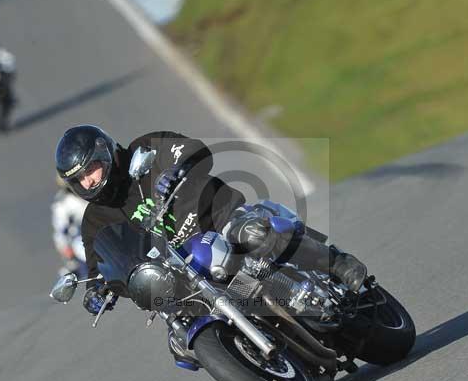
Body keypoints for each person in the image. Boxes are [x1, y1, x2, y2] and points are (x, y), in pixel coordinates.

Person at [54, 125, 368, 364]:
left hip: (220, 221)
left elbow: (192, 149)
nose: (89, 182)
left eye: (92, 170)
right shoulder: (95, 220)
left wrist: (177, 170)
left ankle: (335, 262)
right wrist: (97, 290)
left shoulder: (145, 150)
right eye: (80, 180)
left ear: (106, 153)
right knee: (181, 343)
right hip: (182, 272)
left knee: (254, 235)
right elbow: (100, 263)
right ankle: (266, 359)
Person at [51, 176, 88, 278]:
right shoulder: (62, 204)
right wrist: (66, 248)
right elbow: (61, 231)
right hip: (82, 238)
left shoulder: (93, 188)